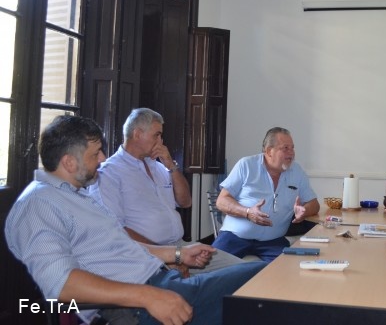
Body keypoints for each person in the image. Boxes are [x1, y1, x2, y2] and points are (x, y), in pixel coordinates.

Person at [5, 115, 266, 325]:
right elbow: (62, 285)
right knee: (260, 285)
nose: (102, 159)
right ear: (69, 162)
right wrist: (148, 296)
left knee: (262, 278)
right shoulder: (39, 204)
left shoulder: (76, 196)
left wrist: (177, 253)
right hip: (137, 306)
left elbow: (119, 246)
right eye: (95, 153)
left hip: (159, 284)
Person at [90, 108, 244, 275]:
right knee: (232, 279)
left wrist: (171, 166)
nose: (161, 141)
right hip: (146, 256)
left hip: (181, 247)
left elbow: (186, 202)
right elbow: (116, 230)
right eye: (156, 135)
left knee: (248, 271)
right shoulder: (109, 173)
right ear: (137, 134)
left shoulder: (159, 167)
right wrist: (169, 256)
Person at [212, 127, 320, 262]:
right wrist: (247, 212)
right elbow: (222, 201)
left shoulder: (297, 171)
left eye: (292, 148)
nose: (291, 153)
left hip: (273, 241)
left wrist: (304, 211)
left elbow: (314, 204)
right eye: (285, 148)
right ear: (269, 151)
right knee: (210, 267)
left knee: (289, 270)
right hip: (234, 236)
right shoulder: (246, 165)